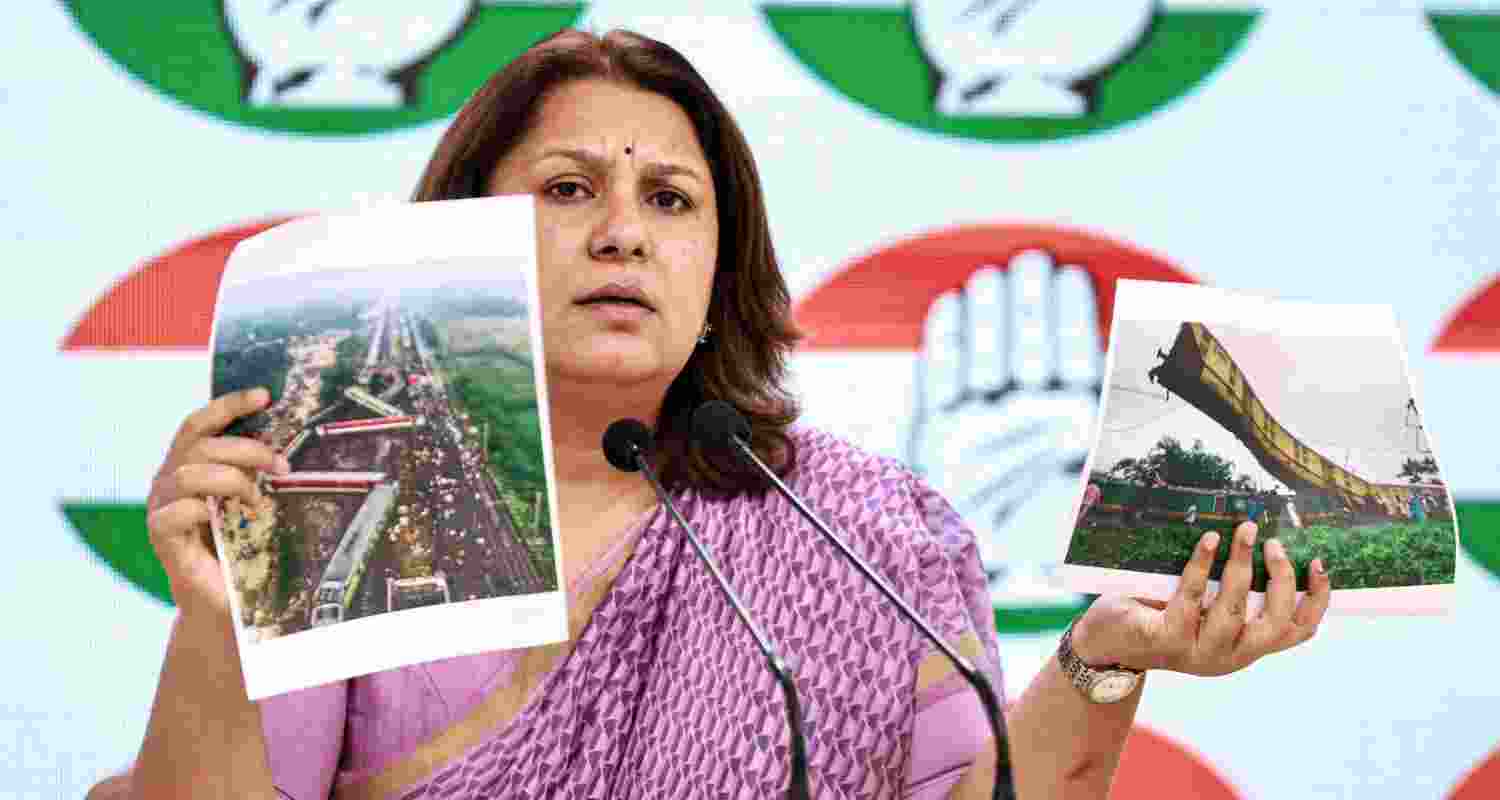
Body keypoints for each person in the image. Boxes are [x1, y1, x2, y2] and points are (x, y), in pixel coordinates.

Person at [91, 29, 1332, 800]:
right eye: (569, 187)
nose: (623, 228)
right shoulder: (352, 497)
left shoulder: (863, 529)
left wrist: (1106, 656)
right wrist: (220, 613)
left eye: (672, 199)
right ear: (461, 235)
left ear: (716, 270)